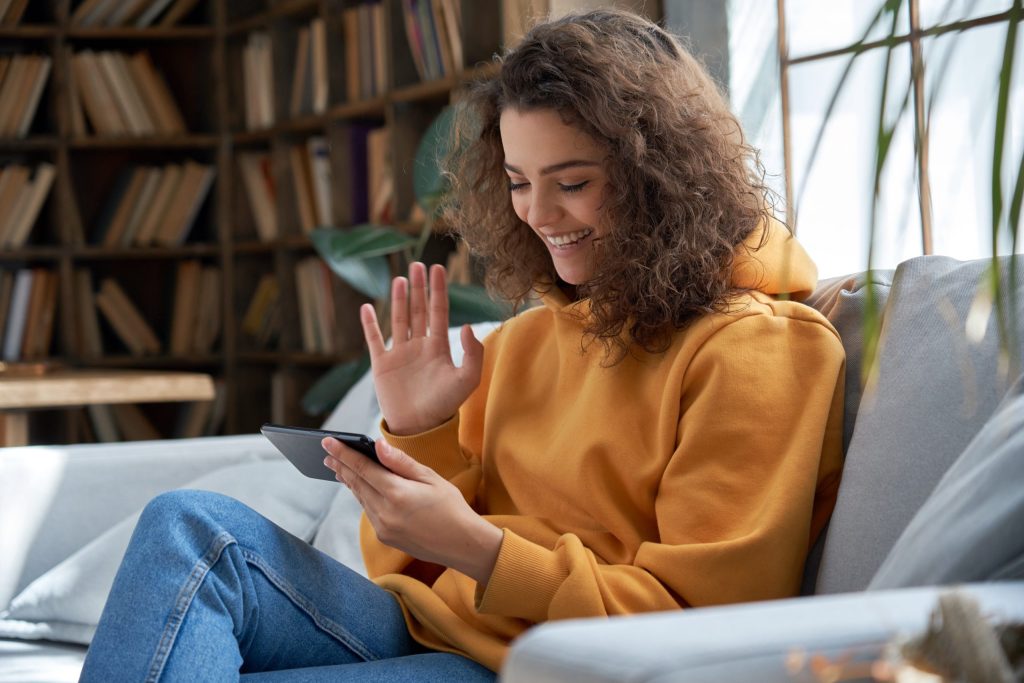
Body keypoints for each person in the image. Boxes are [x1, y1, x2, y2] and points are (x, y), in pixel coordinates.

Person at [79, 8, 845, 682]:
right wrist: (422, 433)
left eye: (572, 181)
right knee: (190, 529)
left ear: (662, 175)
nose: (540, 214)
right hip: (428, 631)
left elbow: (699, 628)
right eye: (518, 180)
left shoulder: (760, 350)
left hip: (544, 668)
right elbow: (406, 572)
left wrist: (483, 550)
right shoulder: (529, 337)